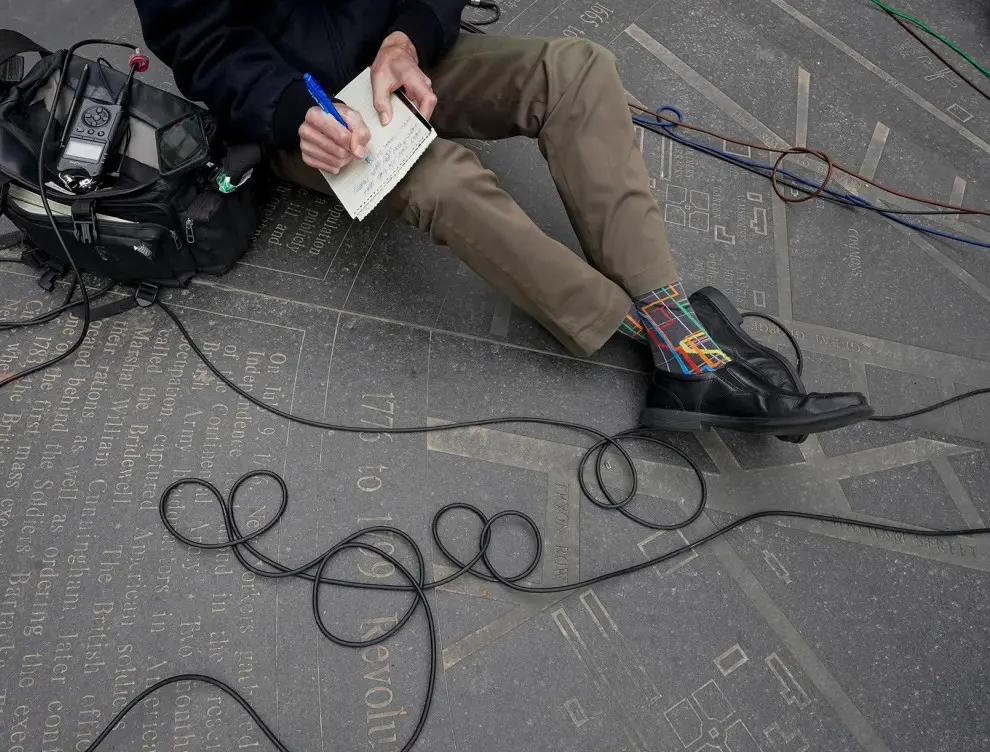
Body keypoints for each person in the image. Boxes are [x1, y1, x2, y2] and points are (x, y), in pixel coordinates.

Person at [133, 0, 874, 438]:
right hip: (311, 112)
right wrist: (289, 110)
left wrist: (408, 37)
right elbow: (200, 43)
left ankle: (671, 315)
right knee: (442, 181)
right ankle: (676, 345)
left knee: (576, 67)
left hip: (405, 65)